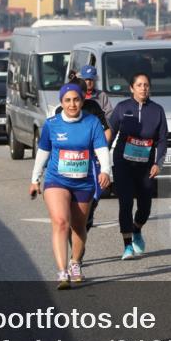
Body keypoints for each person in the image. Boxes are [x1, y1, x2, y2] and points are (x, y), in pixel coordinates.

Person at [30, 83, 112, 289]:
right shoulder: (52, 124)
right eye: (67, 100)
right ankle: (62, 271)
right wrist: (35, 179)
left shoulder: (92, 122)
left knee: (79, 225)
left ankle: (75, 262)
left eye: (76, 99)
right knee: (60, 222)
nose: (72, 104)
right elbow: (43, 152)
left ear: (82, 101)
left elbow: (101, 149)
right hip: (57, 179)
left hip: (83, 182)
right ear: (61, 103)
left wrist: (105, 171)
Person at [108, 72, 168, 260]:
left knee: (145, 207)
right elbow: (110, 132)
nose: (143, 88)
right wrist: (101, 160)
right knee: (125, 203)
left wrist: (158, 163)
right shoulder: (122, 108)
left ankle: (136, 229)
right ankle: (127, 246)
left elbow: (162, 140)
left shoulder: (157, 110)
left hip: (145, 166)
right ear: (132, 88)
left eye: (146, 85)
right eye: (140, 85)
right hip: (123, 163)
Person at [55, 75, 112, 232]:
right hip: (67, 162)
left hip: (90, 160)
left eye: (79, 95)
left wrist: (99, 149)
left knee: (93, 195)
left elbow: (107, 131)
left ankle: (88, 215)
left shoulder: (93, 107)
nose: (74, 101)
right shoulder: (60, 110)